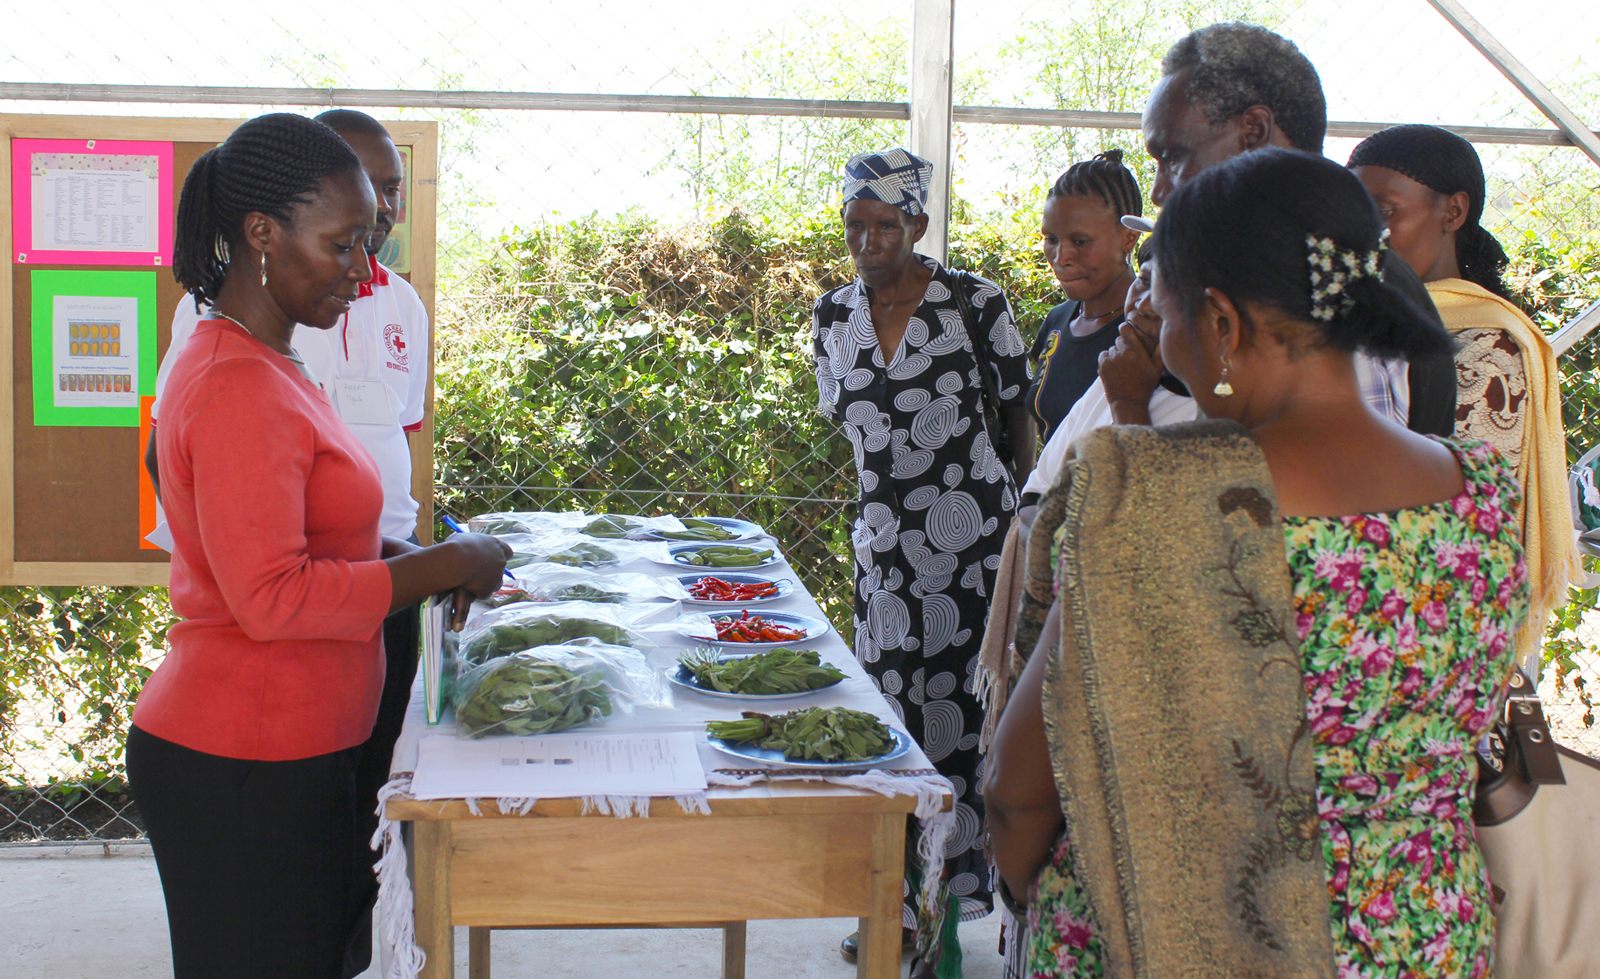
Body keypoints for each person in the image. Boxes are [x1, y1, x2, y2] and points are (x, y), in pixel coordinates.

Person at [984, 148, 1528, 978]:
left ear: (1223, 325)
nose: (1162, 343)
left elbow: (1019, 791)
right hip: (1418, 939)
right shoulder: (1483, 494)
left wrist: (1057, 899)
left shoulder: (1155, 500)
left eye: (1165, 320)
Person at [124, 113, 510, 979]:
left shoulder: (268, 357)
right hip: (244, 762)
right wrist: (441, 565)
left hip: (298, 745)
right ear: (262, 233)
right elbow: (273, 596)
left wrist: (413, 559)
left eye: (369, 243)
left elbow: (304, 527)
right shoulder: (232, 380)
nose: (364, 270)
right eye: (342, 245)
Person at [812, 147, 1035, 977]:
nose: (867, 241)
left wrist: (1024, 529)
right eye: (854, 226)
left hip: (974, 556)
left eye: (884, 224)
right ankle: (895, 901)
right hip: (886, 563)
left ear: (918, 223)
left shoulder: (977, 304)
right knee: (894, 729)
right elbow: (851, 425)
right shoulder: (832, 316)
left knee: (970, 734)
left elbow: (1020, 419)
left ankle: (951, 907)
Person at [1141, 21, 1457, 437]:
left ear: (1253, 132)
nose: (1160, 192)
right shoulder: (1322, 263)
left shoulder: (1317, 285)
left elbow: (1342, 490)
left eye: (1173, 157)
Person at [1350, 123, 1580, 663]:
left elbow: (1465, 528)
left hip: (1436, 633)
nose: (1361, 235)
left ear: (1452, 212)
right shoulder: (1363, 322)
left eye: (1382, 212)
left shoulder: (1488, 347)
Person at [1027, 151, 1143, 441]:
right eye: (1051, 239)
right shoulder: (1058, 320)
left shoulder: (1151, 332)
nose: (1060, 257)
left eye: (1080, 241)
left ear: (1129, 236)